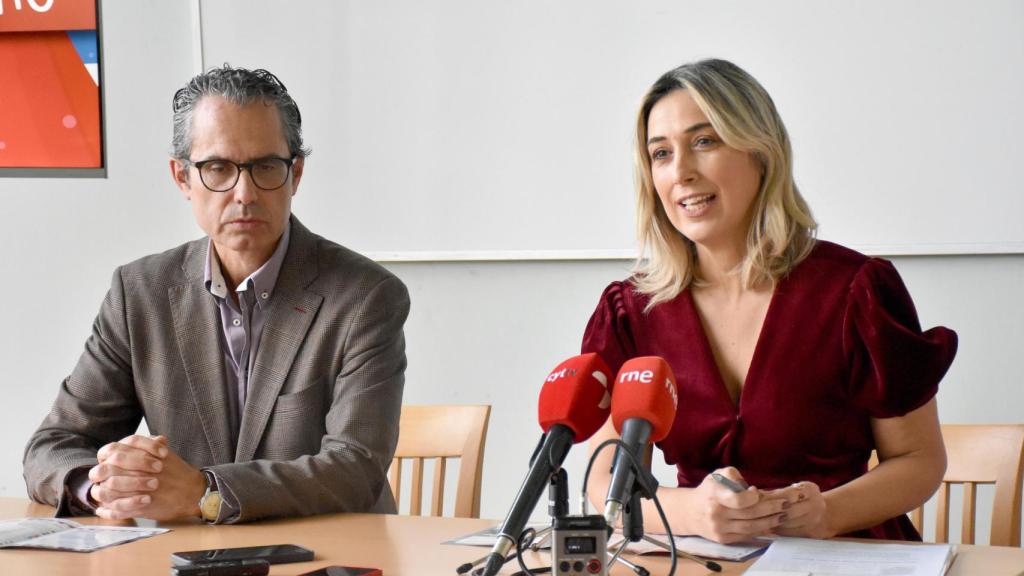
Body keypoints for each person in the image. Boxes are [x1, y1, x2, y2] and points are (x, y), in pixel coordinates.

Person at [583, 59, 956, 543]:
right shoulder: (630, 311)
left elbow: (919, 460)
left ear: (761, 152)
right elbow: (603, 480)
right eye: (660, 153)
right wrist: (692, 514)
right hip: (703, 561)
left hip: (845, 555)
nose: (682, 173)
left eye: (704, 141)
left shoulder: (857, 290)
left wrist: (829, 512)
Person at [23, 65, 410, 524]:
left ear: (296, 174)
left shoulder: (366, 297)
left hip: (325, 560)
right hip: (183, 559)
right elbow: (52, 447)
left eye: (266, 166)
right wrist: (104, 486)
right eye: (218, 168)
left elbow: (355, 469)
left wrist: (206, 494)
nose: (244, 193)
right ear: (182, 178)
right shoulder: (139, 293)